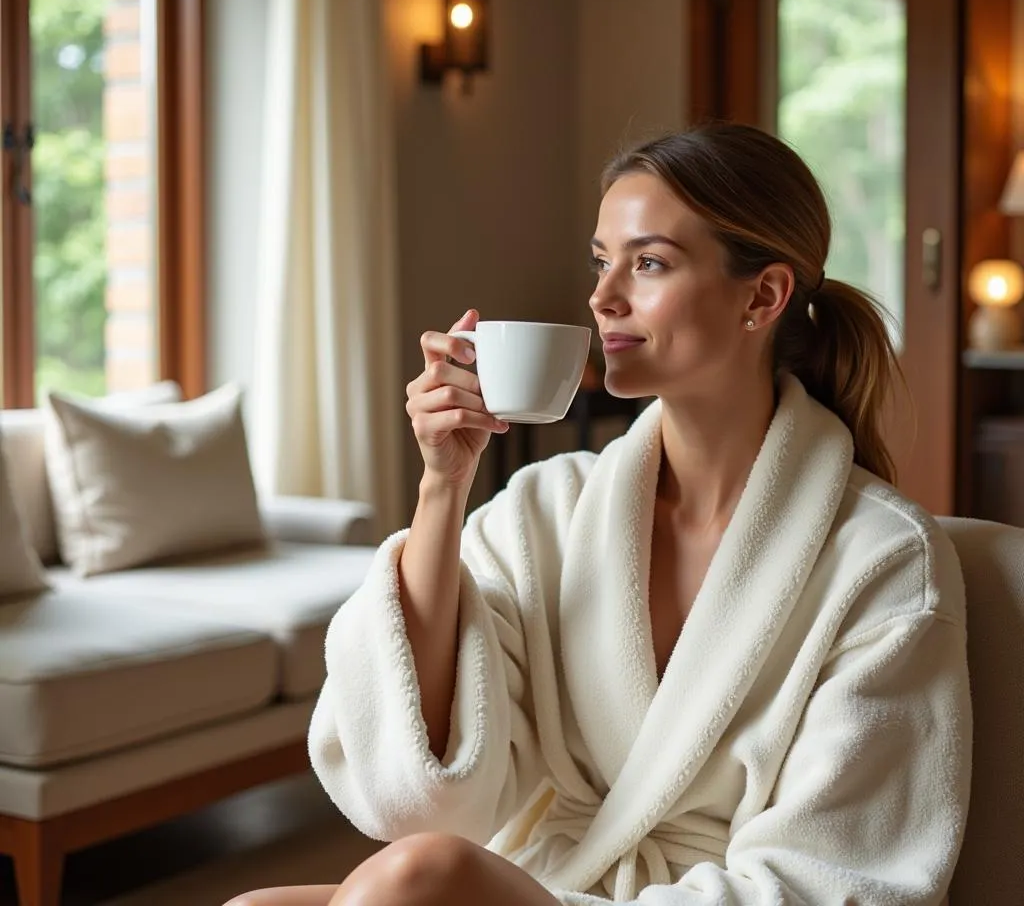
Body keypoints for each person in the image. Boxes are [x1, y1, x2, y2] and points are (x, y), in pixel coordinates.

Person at [226, 123, 971, 906]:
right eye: (600, 260)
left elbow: (839, 877)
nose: (601, 295)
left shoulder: (884, 559)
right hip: (552, 879)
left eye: (648, 263)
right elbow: (417, 793)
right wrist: (443, 486)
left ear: (763, 296)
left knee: (422, 878)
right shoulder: (549, 510)